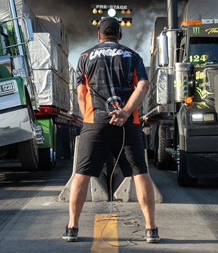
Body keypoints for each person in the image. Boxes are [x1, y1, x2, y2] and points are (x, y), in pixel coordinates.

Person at [64, 17, 158, 243]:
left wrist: (90, 121)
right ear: (119, 35)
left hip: (94, 123)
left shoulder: (85, 57)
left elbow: (80, 94)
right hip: (127, 124)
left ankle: (72, 228)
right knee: (140, 174)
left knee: (81, 174)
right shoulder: (133, 56)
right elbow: (143, 86)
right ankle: (151, 229)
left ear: (99, 35)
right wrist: (125, 111)